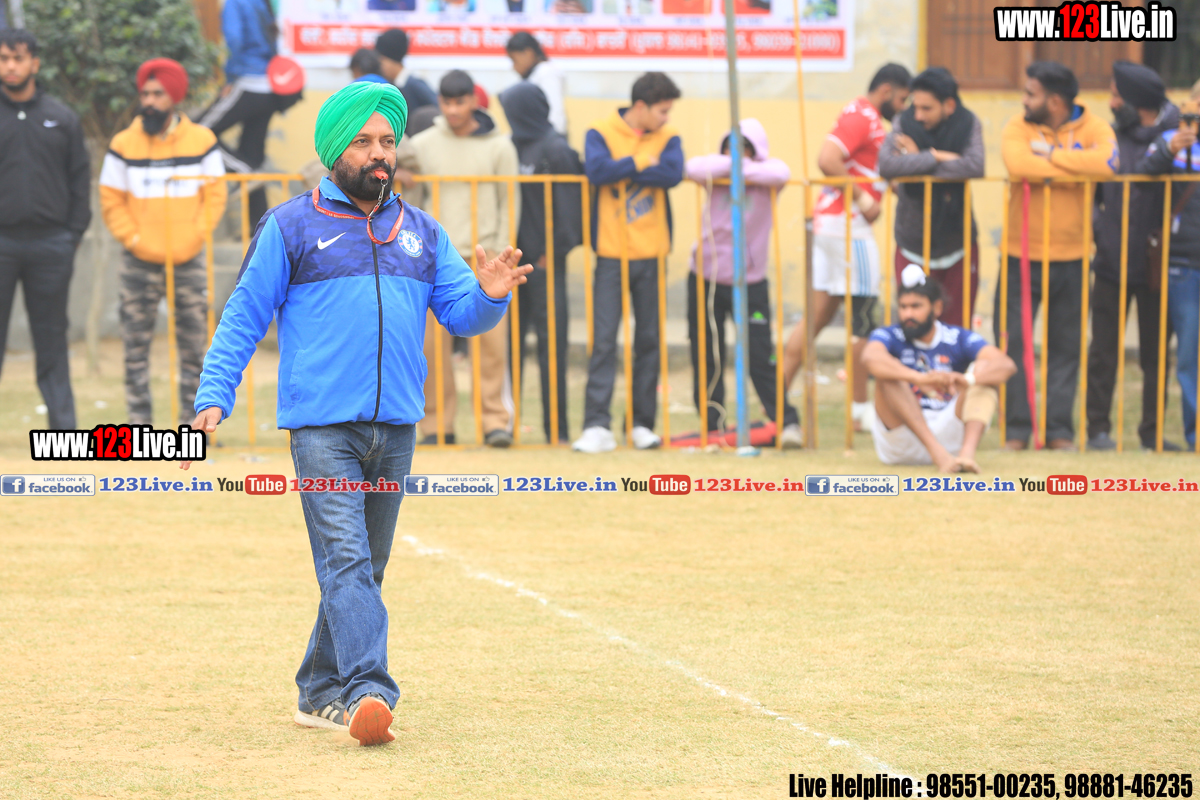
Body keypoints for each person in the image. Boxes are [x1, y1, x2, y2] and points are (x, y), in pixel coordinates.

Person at [185, 81, 530, 745]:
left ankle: (317, 691)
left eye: (388, 141)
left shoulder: (423, 232)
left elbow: (461, 316)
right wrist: (213, 395)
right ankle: (369, 689)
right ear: (335, 150)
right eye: (365, 141)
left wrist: (490, 297)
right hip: (321, 429)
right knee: (346, 562)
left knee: (364, 569)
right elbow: (242, 316)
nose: (380, 153)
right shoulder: (290, 226)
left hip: (396, 427)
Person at [781, 63, 912, 434]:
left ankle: (775, 399)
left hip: (832, 226)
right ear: (886, 91)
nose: (902, 108)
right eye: (902, 99)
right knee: (864, 323)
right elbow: (827, 159)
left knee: (817, 318)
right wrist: (864, 199)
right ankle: (858, 411)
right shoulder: (862, 115)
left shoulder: (871, 121)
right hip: (848, 229)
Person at [100, 58, 227, 426]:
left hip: (188, 259)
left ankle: (193, 429)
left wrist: (194, 236)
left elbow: (215, 195)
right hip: (137, 261)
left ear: (174, 96)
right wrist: (135, 238)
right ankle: (138, 427)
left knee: (195, 348)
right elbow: (110, 200)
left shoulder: (202, 141)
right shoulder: (123, 143)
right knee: (134, 349)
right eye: (145, 94)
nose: (149, 101)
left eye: (157, 94)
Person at [998, 61, 1116, 450]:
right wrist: (1076, 170)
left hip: (1074, 256)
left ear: (1054, 101)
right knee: (1013, 343)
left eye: (1030, 94)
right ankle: (1017, 430)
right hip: (1019, 255)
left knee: (1066, 346)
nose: (1023, 100)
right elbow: (1019, 165)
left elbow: (1108, 164)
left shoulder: (1095, 127)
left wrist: (1049, 156)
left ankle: (1059, 430)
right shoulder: (1018, 126)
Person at [574, 72, 683, 453]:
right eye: (662, 111)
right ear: (640, 106)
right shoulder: (601, 131)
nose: (666, 119)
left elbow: (672, 173)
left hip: (652, 254)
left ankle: (641, 423)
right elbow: (597, 171)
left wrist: (624, 167)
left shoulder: (669, 137)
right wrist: (638, 160)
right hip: (610, 253)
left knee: (649, 340)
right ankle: (596, 425)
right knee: (604, 340)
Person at [410, 70, 520, 447]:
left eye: (460, 102)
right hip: (434, 257)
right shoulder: (423, 144)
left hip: (485, 256)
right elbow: (413, 200)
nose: (453, 110)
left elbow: (509, 203)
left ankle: (495, 422)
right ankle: (437, 425)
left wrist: (502, 254)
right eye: (446, 102)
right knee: (429, 347)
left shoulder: (499, 147)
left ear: (474, 100)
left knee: (491, 345)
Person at [685, 119, 801, 447]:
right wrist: (732, 165)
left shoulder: (766, 178)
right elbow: (692, 167)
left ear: (757, 150)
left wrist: (740, 168)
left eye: (744, 148)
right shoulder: (715, 173)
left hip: (749, 282)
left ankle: (786, 421)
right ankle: (713, 426)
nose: (735, 154)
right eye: (729, 148)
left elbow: (781, 172)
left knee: (760, 355)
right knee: (707, 354)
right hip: (706, 278)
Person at [1086, 61, 1181, 452]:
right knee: (1103, 351)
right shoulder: (1108, 137)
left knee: (1156, 354)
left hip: (1158, 263)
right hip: (1110, 261)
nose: (1110, 103)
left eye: (1116, 96)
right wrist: (1100, 232)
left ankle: (1152, 433)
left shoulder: (1176, 140)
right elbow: (1092, 195)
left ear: (1138, 102)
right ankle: (1097, 430)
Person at [0, 28, 91, 430]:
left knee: (52, 338)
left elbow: (79, 181)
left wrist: (71, 236)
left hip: (52, 245)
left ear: (34, 63)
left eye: (18, 58)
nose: (10, 66)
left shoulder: (62, 118)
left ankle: (63, 431)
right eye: (4, 58)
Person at [864, 264, 1016, 473]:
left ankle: (967, 455)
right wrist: (918, 378)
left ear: (936, 308)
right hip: (901, 438)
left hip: (949, 433)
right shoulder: (889, 334)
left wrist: (967, 380)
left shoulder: (956, 337)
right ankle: (939, 455)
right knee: (888, 373)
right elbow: (870, 357)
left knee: (984, 370)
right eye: (903, 307)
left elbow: (1005, 365)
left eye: (916, 306)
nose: (908, 314)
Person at [498, 82, 584, 444]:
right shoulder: (510, 145)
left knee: (552, 347)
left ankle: (557, 432)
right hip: (513, 265)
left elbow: (572, 207)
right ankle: (507, 426)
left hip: (545, 263)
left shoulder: (557, 148)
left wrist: (554, 250)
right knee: (511, 345)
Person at [878, 66, 984, 328]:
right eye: (916, 106)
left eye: (927, 108)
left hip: (958, 243)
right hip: (912, 243)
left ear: (949, 105)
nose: (918, 115)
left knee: (956, 328)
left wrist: (915, 159)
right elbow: (887, 166)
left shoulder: (968, 124)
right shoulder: (904, 122)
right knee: (914, 325)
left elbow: (974, 166)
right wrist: (934, 156)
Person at [198, 0, 302, 232]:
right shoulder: (261, 4)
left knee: (196, 132)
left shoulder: (235, 3)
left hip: (248, 81)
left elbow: (234, 40)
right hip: (268, 89)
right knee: (251, 154)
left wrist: (230, 78)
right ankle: (260, 232)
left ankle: (245, 172)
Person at [1138, 97, 1200, 451]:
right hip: (1183, 262)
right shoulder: (1170, 140)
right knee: (1188, 355)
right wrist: (1170, 148)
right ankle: (1195, 435)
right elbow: (1144, 176)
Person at [506, 32, 567, 136]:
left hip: (549, 140)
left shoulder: (547, 72)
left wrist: (552, 142)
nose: (514, 67)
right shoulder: (534, 75)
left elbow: (556, 116)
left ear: (528, 53)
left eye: (514, 60)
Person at [374, 28, 437, 128]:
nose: (380, 66)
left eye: (382, 60)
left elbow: (437, 109)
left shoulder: (414, 85)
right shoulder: (391, 84)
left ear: (392, 60)